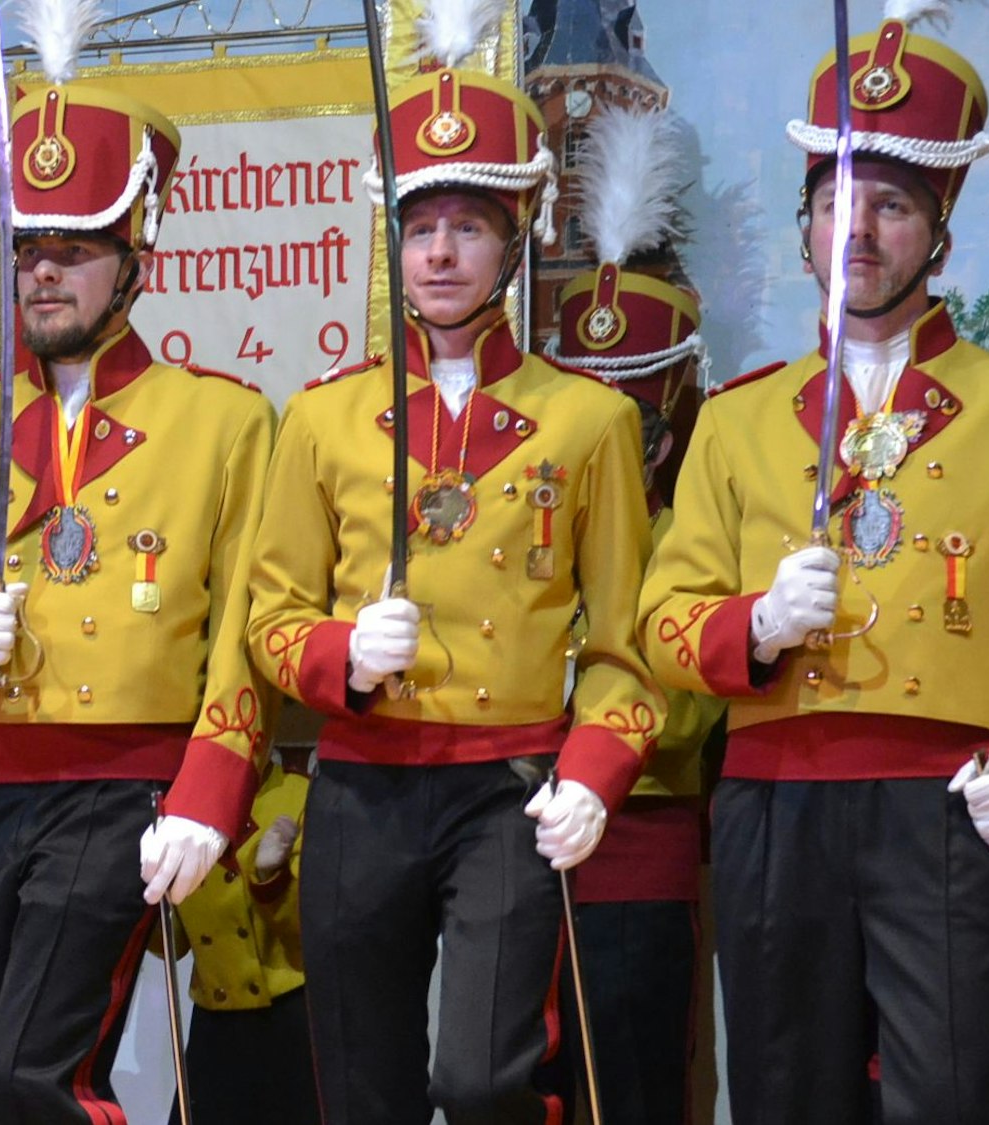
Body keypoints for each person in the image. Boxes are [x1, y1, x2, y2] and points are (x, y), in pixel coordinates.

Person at [637, 8, 989, 1121]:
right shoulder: (736, 419)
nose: (855, 230)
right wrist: (752, 627)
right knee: (783, 1095)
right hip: (773, 806)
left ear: (938, 233)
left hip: (951, 802)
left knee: (951, 1095)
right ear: (804, 226)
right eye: (834, 202)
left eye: (890, 205)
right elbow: (662, 620)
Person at [0, 17, 275, 1121]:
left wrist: (210, 788)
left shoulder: (222, 422)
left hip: (126, 785)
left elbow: (246, 631)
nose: (43, 272)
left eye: (73, 248)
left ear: (136, 258)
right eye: (28, 248)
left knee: (29, 1070)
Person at [243, 6, 661, 1119]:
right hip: (360, 783)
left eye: (467, 226)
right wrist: (337, 654)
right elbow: (269, 618)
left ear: (516, 236)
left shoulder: (589, 422)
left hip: (508, 786)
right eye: (420, 225)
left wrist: (595, 769)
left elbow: (623, 649)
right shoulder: (323, 419)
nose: (437, 254)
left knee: (479, 1082)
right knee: (359, 1089)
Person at [543, 104, 722, 1125]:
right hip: (515, 850)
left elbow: (684, 713)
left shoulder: (687, 539)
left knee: (634, 1092)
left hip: (636, 852)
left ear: (660, 431)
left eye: (631, 424)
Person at [168, 744, 315, 1125]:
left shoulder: (301, 795)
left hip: (294, 1020)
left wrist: (272, 880)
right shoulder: (176, 814)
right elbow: (172, 944)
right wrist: (148, 895)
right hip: (215, 1025)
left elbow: (314, 933)